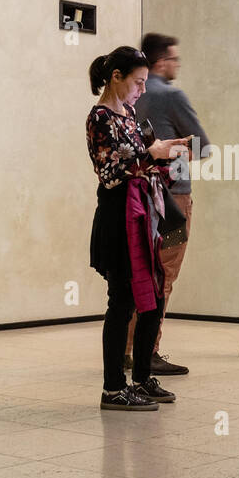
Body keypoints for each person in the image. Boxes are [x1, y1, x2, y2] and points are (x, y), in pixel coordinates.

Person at [87, 46, 191, 411]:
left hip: (144, 215)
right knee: (122, 302)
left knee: (155, 296)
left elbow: (144, 162)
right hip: (119, 219)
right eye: (138, 82)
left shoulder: (129, 114)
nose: (142, 90)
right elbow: (111, 173)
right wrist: (154, 155)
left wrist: (169, 155)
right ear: (116, 77)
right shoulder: (100, 117)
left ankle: (142, 378)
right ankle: (113, 388)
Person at [124, 32, 211, 377]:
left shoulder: (132, 94)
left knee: (139, 271)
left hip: (140, 195)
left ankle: (126, 348)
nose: (177, 65)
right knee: (166, 273)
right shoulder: (171, 94)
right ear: (161, 62)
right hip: (173, 199)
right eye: (174, 59)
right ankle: (149, 350)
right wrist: (175, 152)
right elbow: (202, 146)